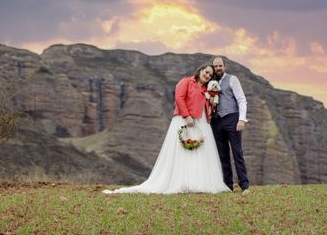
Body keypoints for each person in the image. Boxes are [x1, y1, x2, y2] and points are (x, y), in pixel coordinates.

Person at [103, 64, 230, 194]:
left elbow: (207, 107)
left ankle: (197, 182)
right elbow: (179, 98)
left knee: (199, 153)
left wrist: (213, 102)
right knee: (182, 152)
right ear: (201, 70)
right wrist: (187, 116)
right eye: (206, 72)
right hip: (184, 120)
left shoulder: (206, 89)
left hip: (201, 122)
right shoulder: (186, 81)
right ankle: (180, 182)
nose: (207, 75)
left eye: (210, 75)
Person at [210, 56, 250, 194]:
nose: (218, 68)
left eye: (220, 66)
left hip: (232, 119)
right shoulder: (211, 81)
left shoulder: (232, 79)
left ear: (224, 66)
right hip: (216, 121)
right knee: (223, 155)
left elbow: (241, 99)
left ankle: (244, 185)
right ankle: (228, 186)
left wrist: (242, 119)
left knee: (237, 152)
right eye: (215, 66)